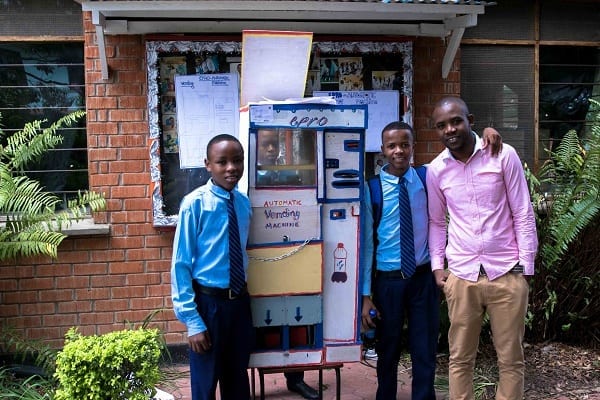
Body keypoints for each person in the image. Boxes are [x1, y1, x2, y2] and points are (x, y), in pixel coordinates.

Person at [361, 121, 502, 400]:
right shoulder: (372, 188)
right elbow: (366, 244)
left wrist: (485, 135)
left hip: (423, 277)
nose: (399, 151)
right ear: (382, 150)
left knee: (424, 346)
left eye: (404, 145)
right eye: (392, 146)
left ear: (413, 147)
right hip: (388, 281)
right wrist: (365, 294)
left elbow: (460, 160)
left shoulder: (428, 178)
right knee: (388, 347)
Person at [426, 97, 538, 400]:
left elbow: (523, 212)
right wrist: (438, 267)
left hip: (507, 272)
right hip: (461, 276)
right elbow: (437, 222)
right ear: (436, 130)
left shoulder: (503, 155)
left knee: (511, 360)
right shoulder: (436, 170)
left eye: (456, 121)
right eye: (442, 125)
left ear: (470, 120)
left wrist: (525, 268)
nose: (450, 129)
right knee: (460, 359)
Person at [171, 134, 254, 400]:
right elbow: (181, 265)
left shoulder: (243, 204)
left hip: (239, 305)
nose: (231, 168)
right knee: (205, 386)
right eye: (222, 162)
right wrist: (192, 321)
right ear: (208, 164)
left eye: (237, 161)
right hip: (209, 306)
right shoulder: (194, 204)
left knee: (238, 383)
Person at [255, 128, 319, 400]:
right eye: (265, 145)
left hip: (294, 254)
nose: (270, 150)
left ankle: (296, 378)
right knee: (263, 320)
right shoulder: (246, 179)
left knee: (297, 318)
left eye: (274, 145)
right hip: (262, 259)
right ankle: (259, 374)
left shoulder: (292, 173)